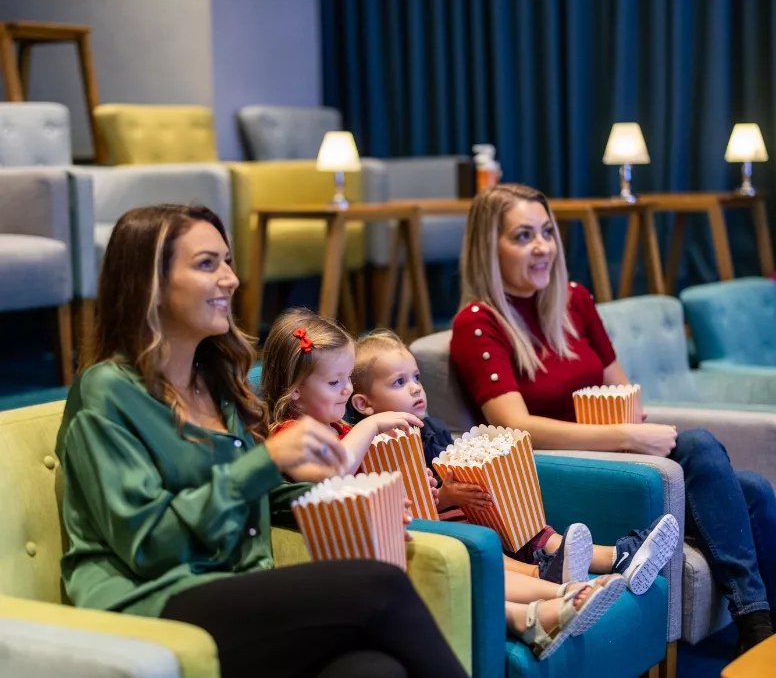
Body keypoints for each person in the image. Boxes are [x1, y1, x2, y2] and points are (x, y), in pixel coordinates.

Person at [56, 204, 474, 678]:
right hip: (145, 604)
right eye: (207, 264)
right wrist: (265, 462)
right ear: (148, 283)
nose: (232, 279)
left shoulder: (215, 384)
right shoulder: (106, 391)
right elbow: (148, 543)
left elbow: (270, 496)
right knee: (380, 586)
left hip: (231, 587)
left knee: (371, 669)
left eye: (228, 261)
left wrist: (357, 506)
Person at [450, 183, 776, 655]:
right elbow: (514, 426)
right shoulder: (478, 324)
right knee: (702, 446)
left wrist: (631, 427)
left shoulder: (575, 300)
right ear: (488, 246)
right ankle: (756, 625)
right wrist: (626, 437)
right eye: (522, 237)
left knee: (753, 490)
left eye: (547, 232)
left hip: (619, 451)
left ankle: (760, 626)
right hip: (577, 470)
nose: (542, 247)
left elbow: (619, 390)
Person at [261, 309, 630, 660]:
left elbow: (364, 478)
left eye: (346, 380)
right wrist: (369, 426)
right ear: (294, 390)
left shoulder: (338, 428)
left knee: (480, 557)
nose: (345, 391)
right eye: (334, 382)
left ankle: (563, 594)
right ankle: (533, 615)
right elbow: (334, 473)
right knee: (467, 560)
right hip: (352, 550)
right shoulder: (292, 433)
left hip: (391, 530)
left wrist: (411, 490)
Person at [349, 328, 679, 594]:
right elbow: (412, 506)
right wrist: (449, 496)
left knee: (526, 523)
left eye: (416, 378)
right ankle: (546, 575)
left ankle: (615, 557)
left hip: (470, 512)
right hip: (438, 530)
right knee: (486, 543)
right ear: (364, 404)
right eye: (399, 382)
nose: (415, 389)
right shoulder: (374, 448)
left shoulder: (431, 429)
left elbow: (450, 471)